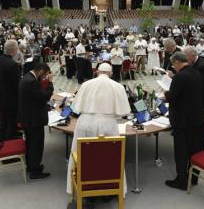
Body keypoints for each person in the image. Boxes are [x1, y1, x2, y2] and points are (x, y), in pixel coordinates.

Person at [66, 63, 131, 195]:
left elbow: (75, 108)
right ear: (111, 73)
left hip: (85, 123)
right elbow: (123, 112)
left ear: (97, 72)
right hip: (108, 124)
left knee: (81, 155)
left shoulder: (86, 84)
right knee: (110, 157)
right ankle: (110, 188)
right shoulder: (118, 86)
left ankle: (79, 187)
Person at [165, 52, 204, 190]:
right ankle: (193, 178)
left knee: (181, 150)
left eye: (173, 64)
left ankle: (181, 180)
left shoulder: (180, 76)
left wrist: (165, 95)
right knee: (193, 149)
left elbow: (173, 98)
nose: (173, 67)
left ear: (176, 61)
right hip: (197, 117)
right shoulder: (196, 73)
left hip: (182, 119)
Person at [18, 63, 54, 179]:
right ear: (41, 71)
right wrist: (50, 82)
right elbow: (45, 96)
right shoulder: (32, 82)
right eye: (45, 74)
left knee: (30, 143)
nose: (45, 76)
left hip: (28, 117)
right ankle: (35, 171)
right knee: (36, 144)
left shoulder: (27, 77)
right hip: (34, 119)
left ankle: (31, 165)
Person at [0, 40, 21, 141]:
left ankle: (1, 140)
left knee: (3, 121)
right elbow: (17, 84)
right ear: (14, 50)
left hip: (0, 97)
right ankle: (9, 145)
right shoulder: (13, 65)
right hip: (11, 99)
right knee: (11, 123)